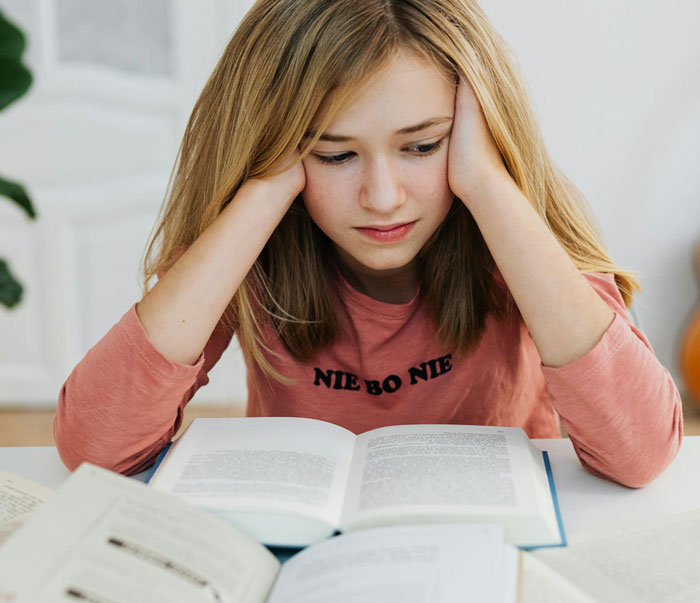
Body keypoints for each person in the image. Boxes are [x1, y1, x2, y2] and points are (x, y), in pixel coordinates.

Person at [54, 0, 682, 487]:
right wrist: (263, 193)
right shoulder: (261, 248)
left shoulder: (518, 236)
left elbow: (644, 454)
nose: (382, 196)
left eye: (422, 145)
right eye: (334, 154)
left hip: (500, 540)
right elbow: (96, 451)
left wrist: (490, 187)